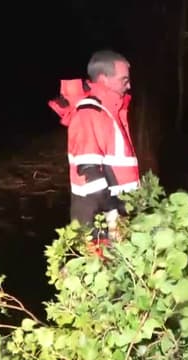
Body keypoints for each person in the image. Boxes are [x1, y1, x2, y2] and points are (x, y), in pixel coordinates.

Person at [48, 50, 140, 244]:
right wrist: (112, 212)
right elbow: (89, 171)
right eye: (124, 80)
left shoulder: (111, 111)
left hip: (118, 212)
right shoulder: (90, 113)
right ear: (104, 79)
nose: (129, 85)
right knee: (100, 268)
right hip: (98, 219)